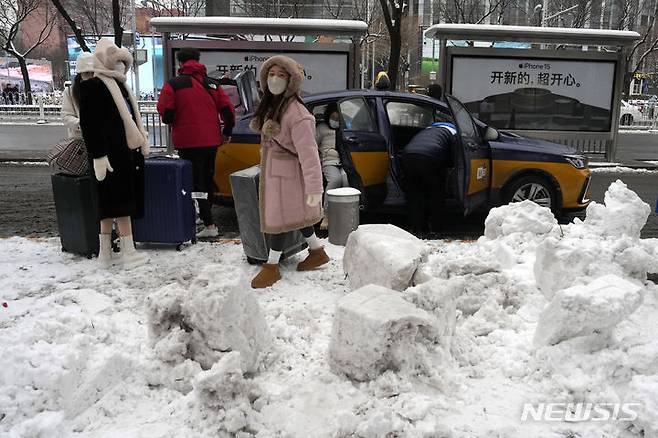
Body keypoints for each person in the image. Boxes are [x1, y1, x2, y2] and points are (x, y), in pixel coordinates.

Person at [249, 55, 328, 289]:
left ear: (291, 80)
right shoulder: (274, 105)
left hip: (289, 176)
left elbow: (310, 154)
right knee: (295, 216)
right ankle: (317, 252)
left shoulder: (298, 113)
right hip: (277, 172)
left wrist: (315, 188)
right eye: (271, 74)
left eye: (281, 75)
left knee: (279, 220)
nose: (274, 79)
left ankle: (271, 267)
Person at [79, 39, 150, 269]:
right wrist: (98, 154)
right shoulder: (94, 85)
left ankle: (105, 254)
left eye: (123, 62)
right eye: (117, 61)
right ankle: (128, 252)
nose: (121, 66)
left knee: (110, 203)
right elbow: (89, 124)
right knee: (119, 203)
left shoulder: (118, 85)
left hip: (120, 152)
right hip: (110, 154)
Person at [157, 48, 235, 239]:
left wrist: (177, 118)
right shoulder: (212, 84)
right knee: (207, 177)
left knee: (194, 181)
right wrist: (227, 131)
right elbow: (228, 111)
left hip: (187, 141)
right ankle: (206, 216)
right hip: (211, 141)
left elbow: (166, 113)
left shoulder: (174, 84)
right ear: (198, 61)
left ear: (180, 62)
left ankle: (208, 222)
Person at [400, 122, 457, 236]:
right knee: (435, 195)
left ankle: (418, 229)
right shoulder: (453, 132)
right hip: (432, 156)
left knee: (415, 195)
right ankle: (436, 229)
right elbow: (453, 157)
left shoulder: (426, 130)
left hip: (407, 155)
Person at [315, 102, 347, 230]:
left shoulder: (344, 128)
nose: (336, 121)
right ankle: (326, 215)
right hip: (329, 161)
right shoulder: (321, 128)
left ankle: (342, 215)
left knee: (346, 180)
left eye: (338, 119)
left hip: (344, 162)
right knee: (335, 180)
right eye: (334, 119)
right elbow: (313, 145)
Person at [61, 52, 95, 139]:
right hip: (79, 141)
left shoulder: (103, 90)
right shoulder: (70, 92)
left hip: (102, 141)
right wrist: (82, 124)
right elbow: (66, 116)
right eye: (86, 73)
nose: (91, 77)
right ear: (80, 75)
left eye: (93, 73)